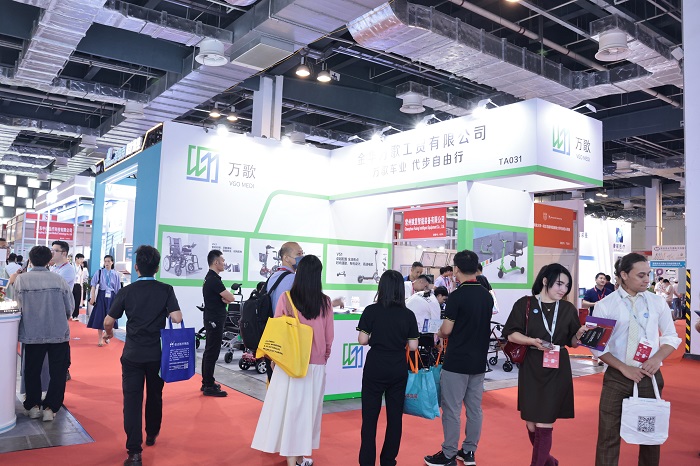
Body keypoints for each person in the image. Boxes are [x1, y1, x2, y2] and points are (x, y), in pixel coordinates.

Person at [592, 253, 681, 466]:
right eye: (641, 275)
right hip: (616, 377)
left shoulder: (657, 302)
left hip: (650, 376)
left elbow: (671, 336)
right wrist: (623, 368)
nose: (646, 280)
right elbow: (597, 346)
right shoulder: (605, 305)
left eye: (648, 274)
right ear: (624, 275)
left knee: (650, 437)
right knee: (608, 436)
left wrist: (657, 358)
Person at [251, 255, 334, 466]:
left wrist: (275, 358)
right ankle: (297, 457)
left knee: (290, 410)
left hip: (289, 363)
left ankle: (293, 458)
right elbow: (329, 336)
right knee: (308, 413)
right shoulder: (325, 302)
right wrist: (323, 357)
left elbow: (279, 332)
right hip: (315, 364)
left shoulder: (286, 299)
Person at [104, 245, 183, 466]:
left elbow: (108, 321)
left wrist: (109, 334)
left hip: (132, 354)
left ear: (136, 267)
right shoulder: (166, 289)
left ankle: (134, 452)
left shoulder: (127, 291)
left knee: (132, 401)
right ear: (157, 268)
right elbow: (177, 318)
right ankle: (152, 433)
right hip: (157, 355)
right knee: (155, 395)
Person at [502, 264, 587, 466]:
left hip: (557, 368)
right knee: (532, 424)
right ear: (545, 281)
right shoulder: (525, 304)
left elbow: (572, 342)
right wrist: (532, 341)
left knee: (544, 422)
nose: (563, 289)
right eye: (559, 284)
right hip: (531, 365)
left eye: (567, 286)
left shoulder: (567, 308)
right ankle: (549, 462)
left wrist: (579, 335)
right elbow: (511, 333)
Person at [424, 250, 493, 466]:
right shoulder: (486, 296)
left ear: (456, 269)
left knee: (452, 409)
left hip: (457, 361)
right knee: (474, 409)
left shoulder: (457, 296)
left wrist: (439, 332)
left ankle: (449, 454)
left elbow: (446, 330)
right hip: (478, 361)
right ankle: (469, 451)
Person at [357, 270, 419, 466]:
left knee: (369, 419)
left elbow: (362, 340)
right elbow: (413, 346)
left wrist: (376, 337)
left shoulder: (371, 310)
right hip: (397, 366)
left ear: (381, 287)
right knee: (394, 418)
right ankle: (388, 460)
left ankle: (367, 461)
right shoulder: (408, 314)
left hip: (375, 365)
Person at [10, 245, 73, 422]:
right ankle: (50, 408)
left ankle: (33, 406)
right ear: (48, 260)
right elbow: (69, 308)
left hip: (32, 332)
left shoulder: (22, 280)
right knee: (58, 371)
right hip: (58, 332)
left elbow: (16, 306)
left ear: (30, 259)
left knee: (32, 370)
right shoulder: (59, 280)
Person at [201, 249, 238, 397]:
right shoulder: (213, 280)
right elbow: (231, 298)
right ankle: (208, 385)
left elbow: (227, 298)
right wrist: (227, 299)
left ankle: (207, 382)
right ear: (216, 262)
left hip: (213, 318)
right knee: (212, 352)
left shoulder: (211, 278)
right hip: (214, 320)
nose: (224, 263)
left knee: (210, 351)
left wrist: (226, 299)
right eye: (222, 261)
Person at [87, 255, 121, 346]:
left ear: (112, 262)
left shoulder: (116, 274)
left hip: (112, 296)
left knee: (111, 316)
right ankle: (100, 339)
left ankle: (107, 335)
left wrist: (118, 301)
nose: (107, 263)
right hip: (101, 296)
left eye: (109, 261)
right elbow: (93, 285)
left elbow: (118, 289)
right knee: (100, 316)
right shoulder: (99, 272)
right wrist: (92, 297)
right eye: (105, 261)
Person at [71, 253, 86, 320]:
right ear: (76, 258)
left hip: (78, 285)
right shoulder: (71, 266)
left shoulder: (81, 267)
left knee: (77, 300)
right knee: (71, 300)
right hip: (71, 284)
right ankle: (70, 313)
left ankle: (75, 315)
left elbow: (81, 277)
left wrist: (81, 286)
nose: (82, 261)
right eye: (81, 259)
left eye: (82, 259)